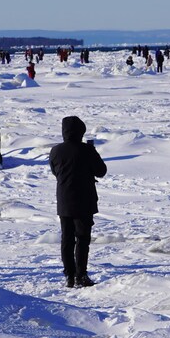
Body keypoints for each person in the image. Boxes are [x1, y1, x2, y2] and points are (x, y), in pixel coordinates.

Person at [49, 116, 107, 288]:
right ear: (81, 132)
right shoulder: (87, 150)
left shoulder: (55, 151)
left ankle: (69, 276)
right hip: (84, 200)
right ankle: (81, 275)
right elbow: (101, 171)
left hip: (64, 200)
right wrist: (92, 154)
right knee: (82, 239)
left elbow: (55, 171)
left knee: (67, 239)